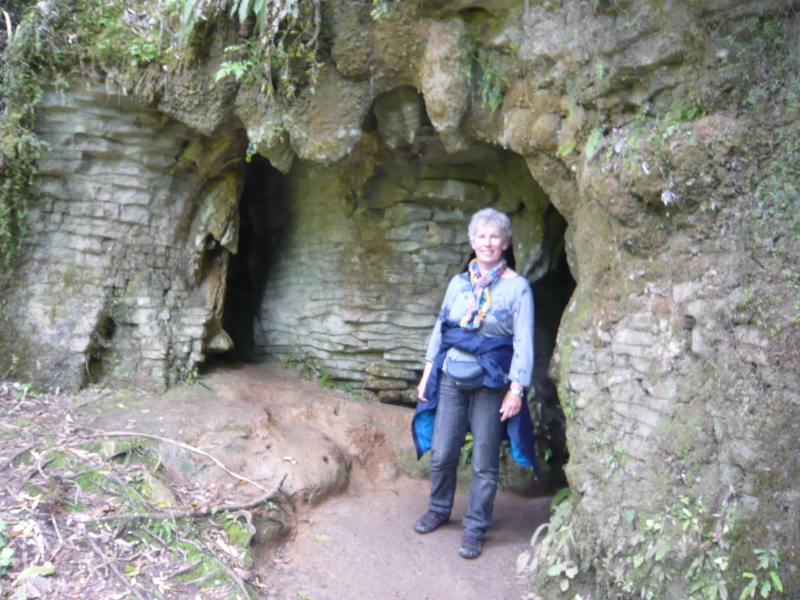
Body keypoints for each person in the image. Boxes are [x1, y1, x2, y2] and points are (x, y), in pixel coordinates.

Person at [411, 207, 537, 559]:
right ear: (472, 241)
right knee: (443, 452)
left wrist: (516, 389)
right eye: (481, 236)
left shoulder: (517, 288)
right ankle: (438, 509)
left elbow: (524, 343)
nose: (487, 242)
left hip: (492, 383)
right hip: (451, 376)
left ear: (506, 243)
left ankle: (475, 528)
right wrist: (427, 373)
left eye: (495, 236)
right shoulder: (458, 283)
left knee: (484, 461)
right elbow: (442, 329)